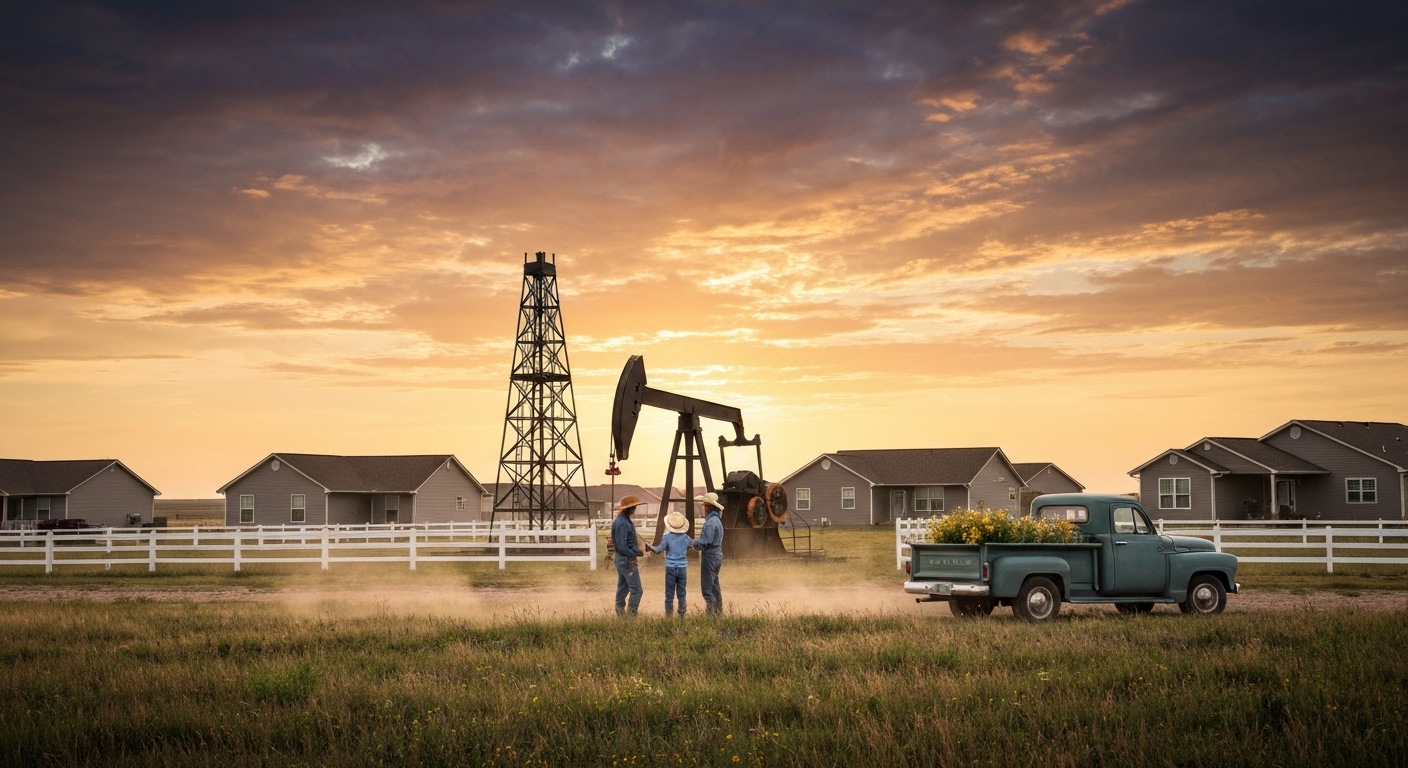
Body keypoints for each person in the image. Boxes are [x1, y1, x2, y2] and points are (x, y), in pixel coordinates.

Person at [647, 511, 692, 616]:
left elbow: (659, 549)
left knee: (669, 594)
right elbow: (692, 545)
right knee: (682, 593)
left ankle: (669, 615)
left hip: (670, 567)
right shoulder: (686, 538)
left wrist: (649, 546)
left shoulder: (666, 537)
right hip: (682, 567)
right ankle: (682, 614)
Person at [692, 491, 726, 614]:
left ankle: (710, 614)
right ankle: (718, 611)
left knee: (707, 587)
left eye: (704, 505)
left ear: (707, 506)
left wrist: (693, 544)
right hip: (717, 553)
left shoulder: (710, 522)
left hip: (710, 554)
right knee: (714, 585)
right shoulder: (717, 520)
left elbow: (705, 541)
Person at [611, 495, 645, 616]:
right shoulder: (623, 523)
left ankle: (620, 614)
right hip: (626, 559)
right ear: (631, 509)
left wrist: (638, 551)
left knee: (623, 587)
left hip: (622, 559)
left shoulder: (623, 521)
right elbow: (622, 545)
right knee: (637, 590)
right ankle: (631, 615)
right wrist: (636, 553)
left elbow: (625, 544)